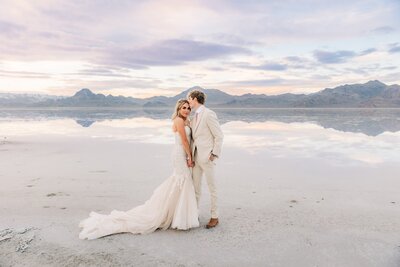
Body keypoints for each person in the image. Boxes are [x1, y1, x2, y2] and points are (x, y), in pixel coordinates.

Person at [79, 99, 199, 239]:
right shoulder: (179, 121)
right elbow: (184, 141)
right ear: (178, 109)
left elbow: (191, 140)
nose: (186, 110)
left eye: (188, 108)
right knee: (182, 180)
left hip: (183, 153)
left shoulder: (187, 121)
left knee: (181, 182)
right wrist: (190, 157)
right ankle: (174, 215)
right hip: (180, 154)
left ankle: (176, 214)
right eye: (183, 108)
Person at [187, 90, 223, 229]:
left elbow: (219, 136)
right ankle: (194, 215)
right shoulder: (194, 116)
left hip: (207, 157)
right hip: (196, 157)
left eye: (189, 99)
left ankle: (214, 216)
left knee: (212, 187)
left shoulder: (209, 114)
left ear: (195, 99)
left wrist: (214, 154)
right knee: (195, 188)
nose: (189, 102)